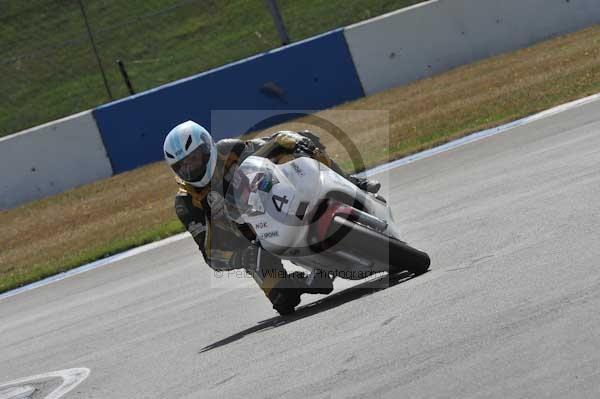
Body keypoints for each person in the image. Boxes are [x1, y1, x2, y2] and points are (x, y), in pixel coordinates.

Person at [163, 120, 380, 314]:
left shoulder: (230, 149)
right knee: (284, 301)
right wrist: (241, 257)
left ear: (206, 146)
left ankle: (352, 182)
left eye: (193, 158)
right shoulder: (186, 203)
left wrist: (295, 140)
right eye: (182, 165)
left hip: (273, 196)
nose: (190, 167)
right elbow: (210, 254)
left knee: (304, 145)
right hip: (250, 241)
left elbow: (274, 142)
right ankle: (304, 282)